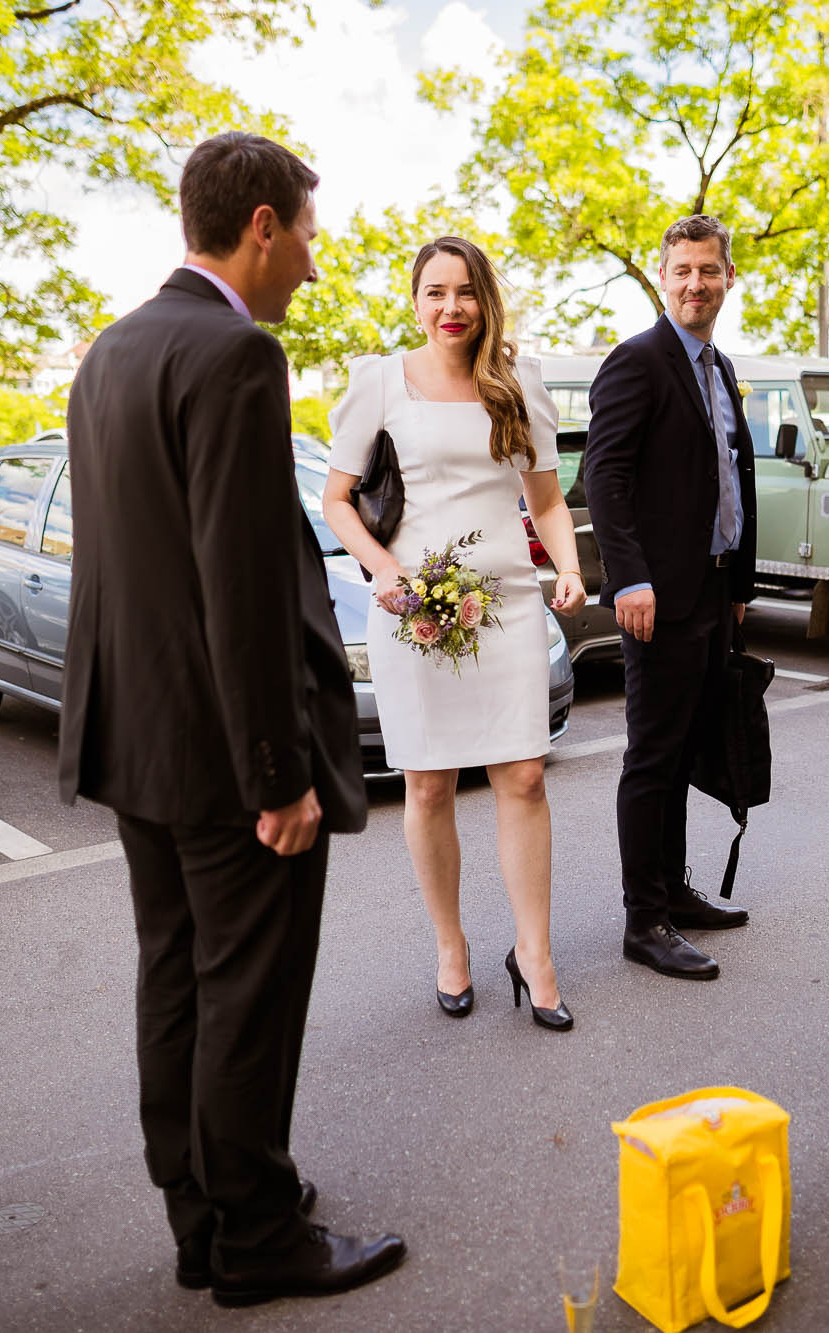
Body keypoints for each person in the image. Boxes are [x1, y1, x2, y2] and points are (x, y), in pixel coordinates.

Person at [57, 131, 406, 1305]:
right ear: (261, 224)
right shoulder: (237, 357)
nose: (312, 256)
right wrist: (278, 773)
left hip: (131, 741)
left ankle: (202, 1215)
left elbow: (123, 569)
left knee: (176, 977)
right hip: (223, 760)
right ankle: (259, 1238)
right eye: (306, 231)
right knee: (247, 992)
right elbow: (240, 587)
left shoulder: (107, 354)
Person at [321, 236, 584, 1032]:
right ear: (414, 299)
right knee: (429, 784)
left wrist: (567, 567)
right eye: (435, 292)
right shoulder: (378, 382)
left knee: (525, 779)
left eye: (465, 292)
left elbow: (546, 501)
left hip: (504, 601)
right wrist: (381, 569)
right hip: (412, 609)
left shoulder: (518, 379)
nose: (451, 308)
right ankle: (451, 946)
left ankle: (533, 953)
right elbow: (337, 500)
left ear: (485, 298)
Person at [583, 214, 758, 982]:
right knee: (653, 756)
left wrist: (740, 585)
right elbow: (604, 478)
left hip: (713, 592)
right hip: (656, 596)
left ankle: (675, 893)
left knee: (688, 750)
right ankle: (642, 918)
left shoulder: (718, 367)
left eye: (709, 270)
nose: (696, 283)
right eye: (682, 270)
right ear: (663, 277)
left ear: (727, 279)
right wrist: (630, 576)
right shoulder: (638, 361)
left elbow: (731, 476)